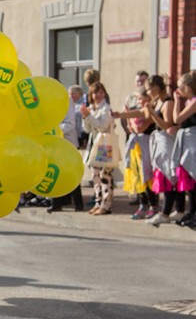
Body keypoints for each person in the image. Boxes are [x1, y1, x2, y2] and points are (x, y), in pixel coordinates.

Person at [144, 75, 185, 226]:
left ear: (155, 88)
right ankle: (179, 210)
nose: (148, 93)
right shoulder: (158, 101)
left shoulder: (167, 102)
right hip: (160, 142)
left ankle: (166, 212)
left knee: (169, 176)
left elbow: (167, 125)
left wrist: (153, 113)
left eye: (149, 90)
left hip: (167, 142)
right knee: (169, 175)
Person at [112, 87, 158, 219]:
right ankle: (142, 205)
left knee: (147, 175)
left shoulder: (150, 110)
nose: (138, 101)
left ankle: (153, 205)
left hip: (147, 146)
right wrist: (122, 116)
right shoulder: (140, 110)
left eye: (140, 98)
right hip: (136, 147)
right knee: (138, 175)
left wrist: (128, 118)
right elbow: (131, 125)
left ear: (147, 98)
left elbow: (141, 126)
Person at [81, 82, 115, 215]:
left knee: (105, 175)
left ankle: (106, 204)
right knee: (95, 175)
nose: (98, 96)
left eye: (101, 93)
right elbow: (87, 129)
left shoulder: (106, 109)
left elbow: (102, 126)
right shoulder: (91, 108)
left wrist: (89, 116)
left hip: (105, 144)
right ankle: (98, 201)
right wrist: (85, 117)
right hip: (93, 144)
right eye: (95, 93)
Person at [48, 91, 84, 213]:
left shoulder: (67, 102)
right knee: (55, 172)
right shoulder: (48, 103)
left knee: (71, 172)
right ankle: (56, 203)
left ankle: (78, 204)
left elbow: (70, 124)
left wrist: (52, 130)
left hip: (68, 143)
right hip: (54, 143)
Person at [170, 71, 196, 227]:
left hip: (193, 143)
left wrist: (175, 100)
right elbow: (179, 121)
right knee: (190, 182)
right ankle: (192, 211)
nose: (179, 90)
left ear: (188, 87)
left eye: (181, 87)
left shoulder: (193, 102)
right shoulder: (189, 102)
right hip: (188, 143)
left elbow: (177, 118)